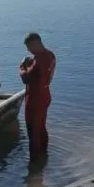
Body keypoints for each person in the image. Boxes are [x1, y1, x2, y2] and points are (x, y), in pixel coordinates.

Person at [19, 33, 56, 162]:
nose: (29, 50)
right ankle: (44, 155)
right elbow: (41, 74)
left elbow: (26, 78)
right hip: (45, 95)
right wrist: (31, 63)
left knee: (33, 131)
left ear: (35, 43)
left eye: (29, 47)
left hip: (35, 99)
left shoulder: (39, 60)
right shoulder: (51, 55)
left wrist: (22, 66)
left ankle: (34, 163)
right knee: (41, 127)